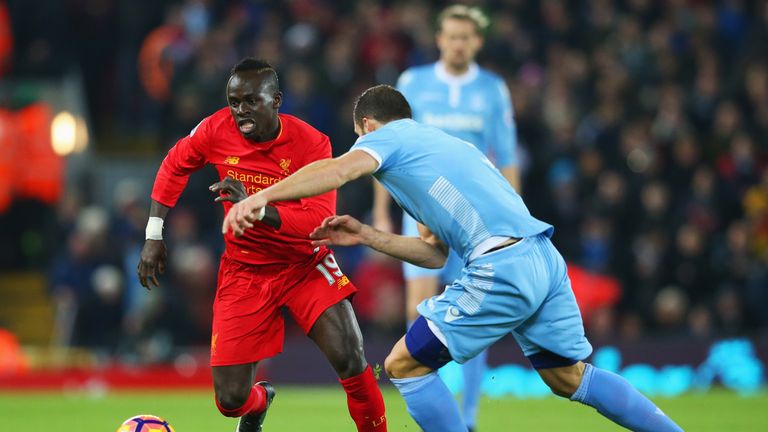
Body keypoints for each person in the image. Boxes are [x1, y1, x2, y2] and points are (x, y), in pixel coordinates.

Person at [223, 85, 685, 432]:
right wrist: (366, 234)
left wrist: (261, 201)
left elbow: (337, 169)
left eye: (360, 139)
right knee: (569, 378)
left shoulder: (390, 138)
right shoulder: (444, 151)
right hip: (543, 259)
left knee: (403, 364)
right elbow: (433, 254)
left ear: (367, 127)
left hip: (501, 265)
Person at [137, 58, 387, 432]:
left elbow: (316, 225)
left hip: (304, 264)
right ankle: (260, 400)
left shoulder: (312, 144)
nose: (240, 111)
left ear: (276, 100)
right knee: (230, 401)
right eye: (235, 101)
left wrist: (255, 206)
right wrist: (153, 234)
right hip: (244, 269)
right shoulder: (214, 128)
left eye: (251, 101)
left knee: (351, 358)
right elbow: (174, 165)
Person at [373, 7, 520, 429]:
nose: (458, 43)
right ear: (439, 39)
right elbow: (386, 149)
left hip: (475, 218)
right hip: (420, 212)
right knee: (417, 315)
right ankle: (433, 412)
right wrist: (384, 210)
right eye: (452, 36)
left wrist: (511, 215)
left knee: (475, 314)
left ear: (477, 42)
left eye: (466, 37)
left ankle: (468, 417)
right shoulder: (413, 84)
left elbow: (506, 158)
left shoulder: (492, 90)